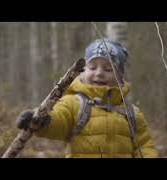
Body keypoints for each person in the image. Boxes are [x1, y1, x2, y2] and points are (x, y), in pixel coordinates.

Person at [15, 38, 158, 158]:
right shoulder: (74, 103)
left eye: (108, 69)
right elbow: (60, 119)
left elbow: (145, 146)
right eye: (92, 67)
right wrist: (42, 119)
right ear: (83, 71)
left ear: (120, 76)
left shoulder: (132, 113)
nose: (99, 73)